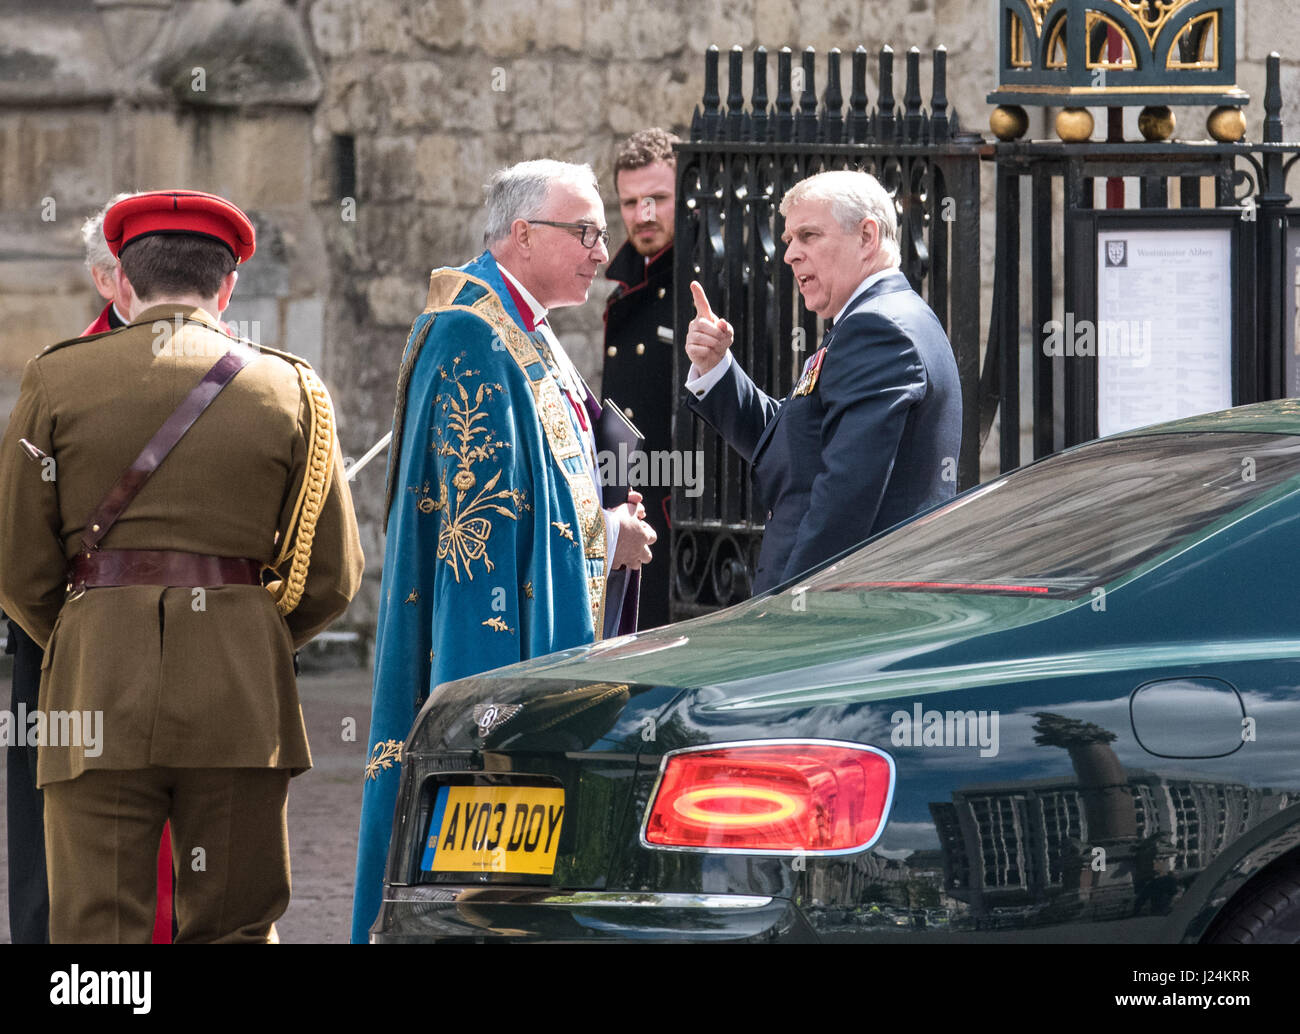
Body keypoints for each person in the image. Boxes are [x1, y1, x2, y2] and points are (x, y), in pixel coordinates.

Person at [0, 188, 364, 943]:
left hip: (95, 687)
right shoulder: (290, 387)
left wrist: (85, 630)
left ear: (122, 282)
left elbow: (16, 563)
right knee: (232, 927)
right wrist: (244, 633)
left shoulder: (56, 378)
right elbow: (332, 574)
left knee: (99, 935)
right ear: (228, 285)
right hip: (238, 696)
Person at [351, 159, 658, 943]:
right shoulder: (472, 332)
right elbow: (478, 533)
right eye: (586, 232)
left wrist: (604, 521)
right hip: (490, 645)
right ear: (522, 234)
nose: (602, 252)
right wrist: (606, 533)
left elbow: (542, 487)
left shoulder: (525, 326)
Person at [684, 169, 961, 594]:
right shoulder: (880, 317)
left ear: (867, 236)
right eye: (789, 240)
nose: (790, 254)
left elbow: (844, 498)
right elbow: (799, 444)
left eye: (809, 235)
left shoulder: (877, 327)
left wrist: (789, 610)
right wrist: (717, 368)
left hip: (842, 615)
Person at [3, 192, 142, 945]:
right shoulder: (58, 376)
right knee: (53, 812)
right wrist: (68, 629)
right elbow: (21, 537)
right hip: (65, 628)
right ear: (105, 280)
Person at [602, 128, 680, 629]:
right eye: (630, 202)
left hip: (684, 512)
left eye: (657, 198)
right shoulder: (623, 287)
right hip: (629, 503)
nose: (643, 214)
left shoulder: (704, 279)